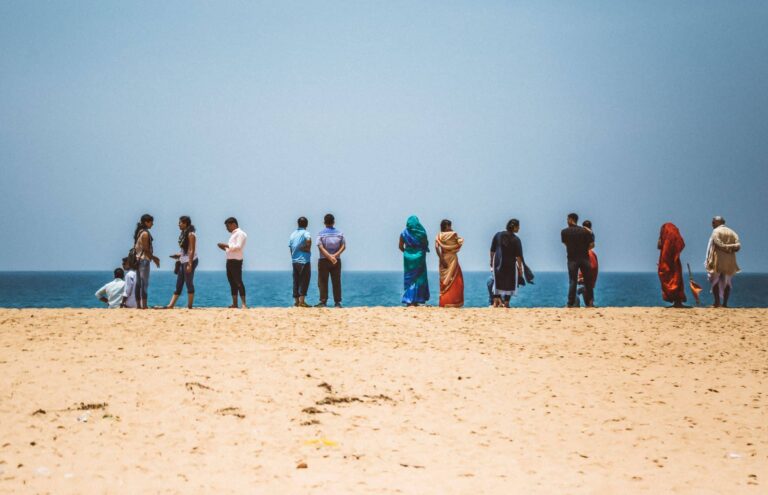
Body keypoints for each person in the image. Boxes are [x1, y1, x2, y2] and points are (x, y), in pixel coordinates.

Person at [705, 216, 741, 308]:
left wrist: (725, 247)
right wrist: (731, 248)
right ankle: (725, 303)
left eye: (713, 222)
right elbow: (738, 246)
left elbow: (717, 243)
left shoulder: (716, 231)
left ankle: (717, 302)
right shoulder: (733, 232)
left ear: (718, 222)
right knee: (728, 281)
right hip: (730, 260)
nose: (712, 224)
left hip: (717, 260)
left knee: (715, 280)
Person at [561, 213, 594, 307]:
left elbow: (566, 244)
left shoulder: (564, 232)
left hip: (572, 259)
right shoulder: (585, 232)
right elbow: (592, 245)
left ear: (571, 220)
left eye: (567, 219)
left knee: (572, 280)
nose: (567, 221)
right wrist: (583, 249)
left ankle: (570, 303)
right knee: (588, 281)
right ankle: (590, 302)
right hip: (584, 258)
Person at [490, 219, 524, 308]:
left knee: (497, 281)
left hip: (498, 262)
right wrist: (520, 268)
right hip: (510, 264)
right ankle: (506, 303)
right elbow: (518, 256)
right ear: (514, 227)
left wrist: (491, 261)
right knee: (510, 282)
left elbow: (492, 250)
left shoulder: (498, 235)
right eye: (518, 226)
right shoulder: (516, 240)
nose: (519, 228)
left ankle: (495, 302)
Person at [167, 216, 198, 309]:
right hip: (183, 260)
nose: (178, 224)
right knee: (179, 282)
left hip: (190, 261)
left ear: (185, 223)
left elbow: (192, 250)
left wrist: (190, 264)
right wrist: (178, 255)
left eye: (180, 223)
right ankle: (171, 305)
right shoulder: (184, 234)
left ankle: (190, 306)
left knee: (189, 282)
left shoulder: (191, 234)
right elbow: (184, 250)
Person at [315, 214, 346, 308]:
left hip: (324, 260)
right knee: (336, 281)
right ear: (334, 222)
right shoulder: (340, 233)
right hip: (336, 260)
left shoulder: (321, 234)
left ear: (324, 222)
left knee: (323, 281)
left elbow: (320, 247)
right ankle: (337, 302)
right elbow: (344, 246)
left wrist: (329, 256)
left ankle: (323, 301)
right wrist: (334, 256)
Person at [400, 215, 430, 306]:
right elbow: (425, 245)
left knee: (409, 279)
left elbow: (400, 246)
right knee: (419, 278)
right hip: (420, 256)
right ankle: (416, 300)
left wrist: (407, 253)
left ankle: (409, 300)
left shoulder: (404, 233)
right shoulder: (422, 233)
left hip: (408, 258)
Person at [217, 217, 247, 308]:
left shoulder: (241, 234)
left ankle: (244, 304)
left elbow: (238, 247)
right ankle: (235, 303)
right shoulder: (233, 235)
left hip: (236, 261)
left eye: (228, 226)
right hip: (229, 260)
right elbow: (231, 249)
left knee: (238, 282)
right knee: (232, 282)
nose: (227, 228)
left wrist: (226, 245)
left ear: (234, 224)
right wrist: (224, 248)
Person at [435, 219, 464, 308]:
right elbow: (460, 242)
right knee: (456, 280)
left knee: (444, 281)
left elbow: (436, 248)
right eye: (449, 226)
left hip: (443, 257)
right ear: (446, 226)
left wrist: (441, 259)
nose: (451, 227)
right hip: (452, 258)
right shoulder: (453, 235)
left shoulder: (439, 236)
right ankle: (453, 302)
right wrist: (452, 232)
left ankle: (444, 302)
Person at [133, 214, 160, 309]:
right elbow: (146, 249)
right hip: (144, 260)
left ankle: (138, 305)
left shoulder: (139, 232)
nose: (152, 224)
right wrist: (154, 259)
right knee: (144, 283)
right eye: (151, 222)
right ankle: (144, 305)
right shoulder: (145, 233)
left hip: (138, 259)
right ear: (146, 222)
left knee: (138, 284)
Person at [657, 222, 687, 308]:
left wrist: (661, 237)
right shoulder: (675, 237)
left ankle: (675, 300)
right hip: (675, 261)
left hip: (666, 263)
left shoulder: (665, 237)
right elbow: (681, 244)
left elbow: (659, 246)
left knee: (669, 279)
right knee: (677, 279)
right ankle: (678, 301)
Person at [289, 216, 312, 307]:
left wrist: (293, 256)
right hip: (304, 260)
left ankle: (296, 301)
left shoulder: (292, 234)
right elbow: (309, 240)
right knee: (304, 280)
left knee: (296, 281)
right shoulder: (306, 233)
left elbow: (290, 248)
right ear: (306, 224)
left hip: (294, 261)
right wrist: (306, 248)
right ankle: (302, 301)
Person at [577, 220, 599, 306]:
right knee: (588, 291)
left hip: (584, 280)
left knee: (576, 290)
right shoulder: (593, 254)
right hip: (589, 281)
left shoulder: (587, 253)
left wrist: (581, 277)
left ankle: (575, 304)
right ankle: (590, 303)